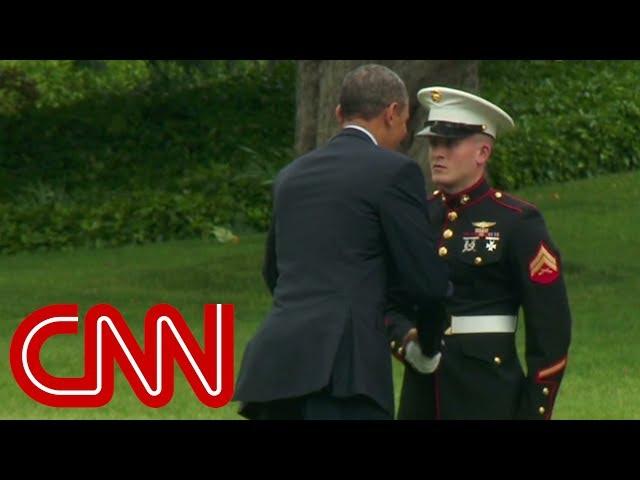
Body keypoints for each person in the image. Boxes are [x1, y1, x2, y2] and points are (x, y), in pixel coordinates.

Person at [233, 65, 451, 420]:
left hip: (275, 368)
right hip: (344, 375)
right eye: (405, 122)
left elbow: (273, 271)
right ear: (392, 113)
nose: (405, 134)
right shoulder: (394, 171)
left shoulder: (291, 176)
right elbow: (426, 283)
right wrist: (427, 347)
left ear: (339, 114)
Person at [386, 86, 572, 419]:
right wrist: (409, 343)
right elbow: (390, 300)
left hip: (489, 394)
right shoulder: (418, 218)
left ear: (482, 152)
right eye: (433, 143)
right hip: (423, 395)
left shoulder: (517, 221)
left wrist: (534, 411)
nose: (437, 153)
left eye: (450, 144)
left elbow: (551, 329)